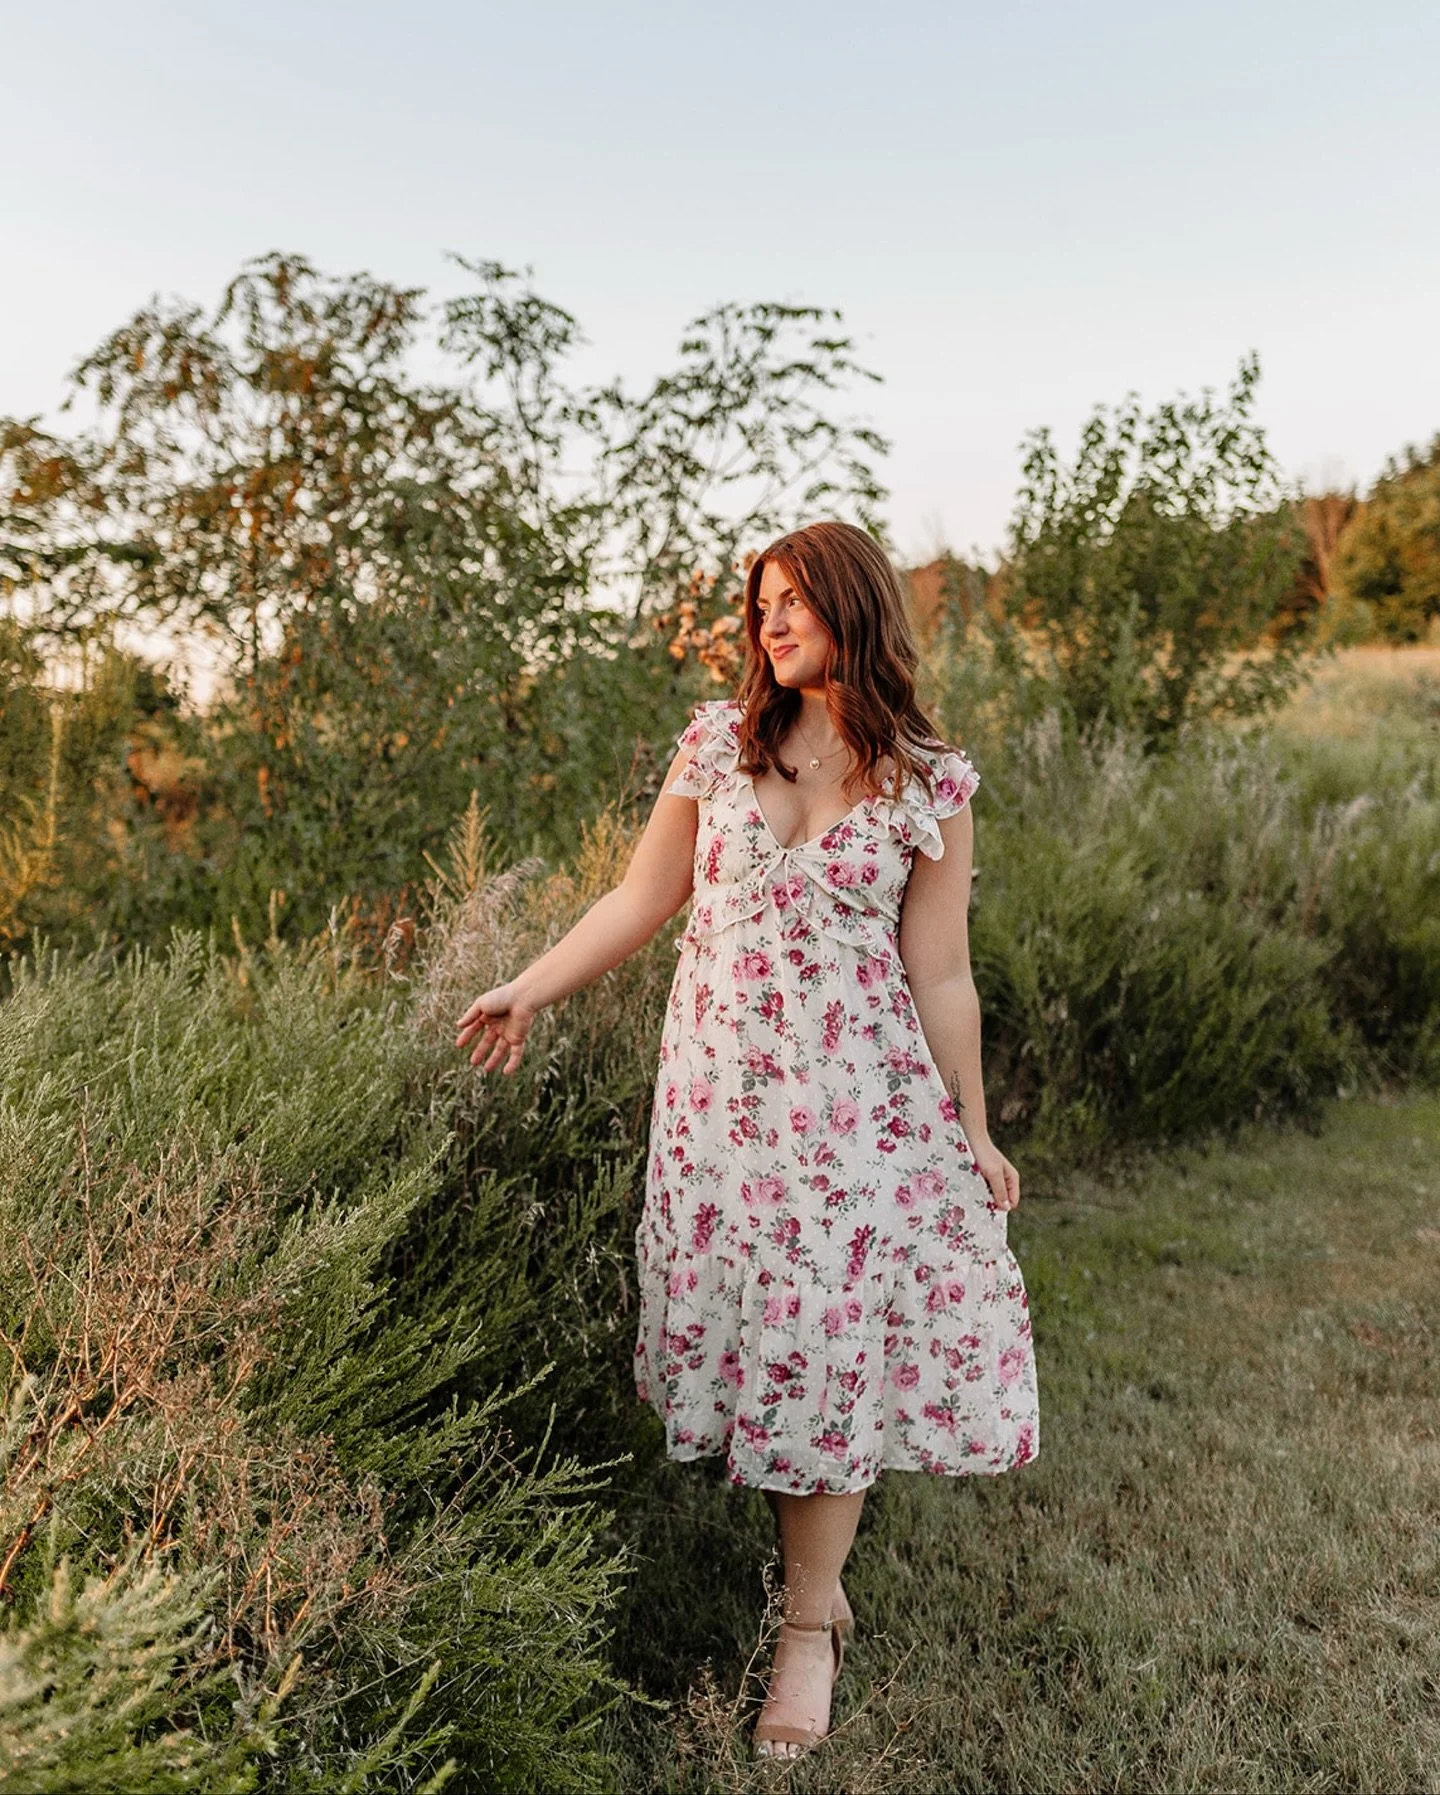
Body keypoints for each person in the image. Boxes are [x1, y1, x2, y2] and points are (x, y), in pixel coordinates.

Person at [455, 520, 1039, 1760]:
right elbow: (638, 896)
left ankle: (808, 1627)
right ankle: (813, 1590)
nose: (771, 624)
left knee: (827, 1348)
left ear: (856, 610)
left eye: (796, 602)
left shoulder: (930, 782)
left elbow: (940, 976)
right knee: (766, 1346)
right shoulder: (717, 744)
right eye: (760, 603)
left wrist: (973, 1130)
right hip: (721, 1115)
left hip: (860, 1118)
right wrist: (527, 986)